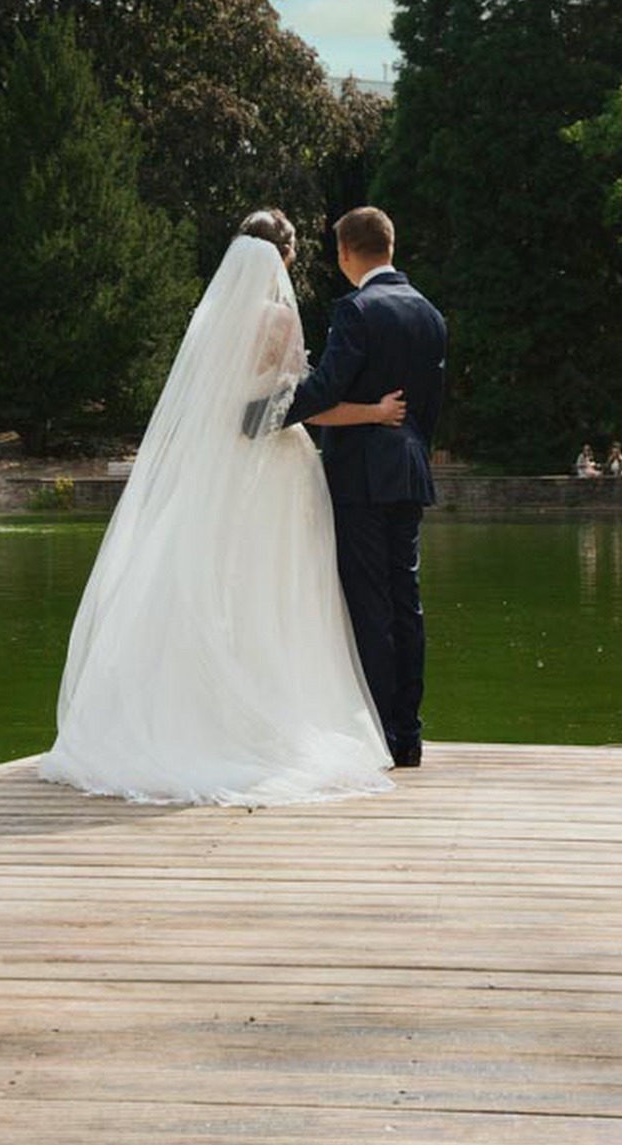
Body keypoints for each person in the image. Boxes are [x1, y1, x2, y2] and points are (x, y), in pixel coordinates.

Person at [37, 209, 405, 805]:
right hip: (274, 472)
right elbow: (297, 404)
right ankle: (269, 716)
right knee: (279, 593)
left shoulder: (211, 319)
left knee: (214, 588)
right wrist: (372, 412)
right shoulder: (280, 319)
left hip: (218, 471)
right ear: (283, 258)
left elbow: (229, 407)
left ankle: (188, 713)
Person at [280, 207, 447, 770]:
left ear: (346, 254)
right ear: (390, 246)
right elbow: (430, 408)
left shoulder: (356, 311)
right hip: (408, 470)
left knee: (370, 605)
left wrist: (267, 411)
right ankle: (409, 735)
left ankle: (378, 731)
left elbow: (326, 388)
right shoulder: (431, 314)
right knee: (407, 603)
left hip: (360, 478)